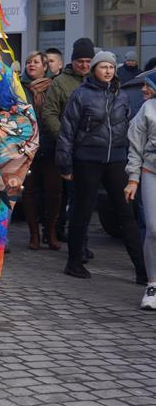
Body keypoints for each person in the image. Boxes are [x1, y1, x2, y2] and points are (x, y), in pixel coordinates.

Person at [57, 51, 146, 283]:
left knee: (126, 213)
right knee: (83, 211)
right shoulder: (81, 94)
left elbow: (128, 126)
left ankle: (142, 270)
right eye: (103, 66)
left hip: (116, 159)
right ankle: (74, 263)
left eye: (111, 67)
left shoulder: (121, 95)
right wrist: (65, 164)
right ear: (94, 69)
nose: (108, 71)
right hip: (87, 159)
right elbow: (67, 131)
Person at [41, 38, 94, 249]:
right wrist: (64, 137)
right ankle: (75, 241)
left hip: (93, 149)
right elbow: (50, 113)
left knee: (83, 197)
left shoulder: (97, 79)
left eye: (88, 61)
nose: (84, 65)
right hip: (68, 148)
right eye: (80, 61)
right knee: (70, 195)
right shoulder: (61, 82)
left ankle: (76, 239)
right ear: (73, 61)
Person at [19, 51, 58, 250]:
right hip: (28, 147)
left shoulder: (54, 86)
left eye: (36, 62)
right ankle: (33, 234)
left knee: (54, 191)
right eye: (28, 62)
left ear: (45, 66)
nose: (31, 65)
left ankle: (50, 232)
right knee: (29, 191)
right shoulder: (20, 87)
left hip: (51, 145)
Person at [125, 70, 156, 309]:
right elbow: (135, 147)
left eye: (148, 85)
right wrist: (133, 179)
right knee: (153, 229)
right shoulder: (147, 109)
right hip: (150, 172)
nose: (143, 89)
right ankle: (152, 284)